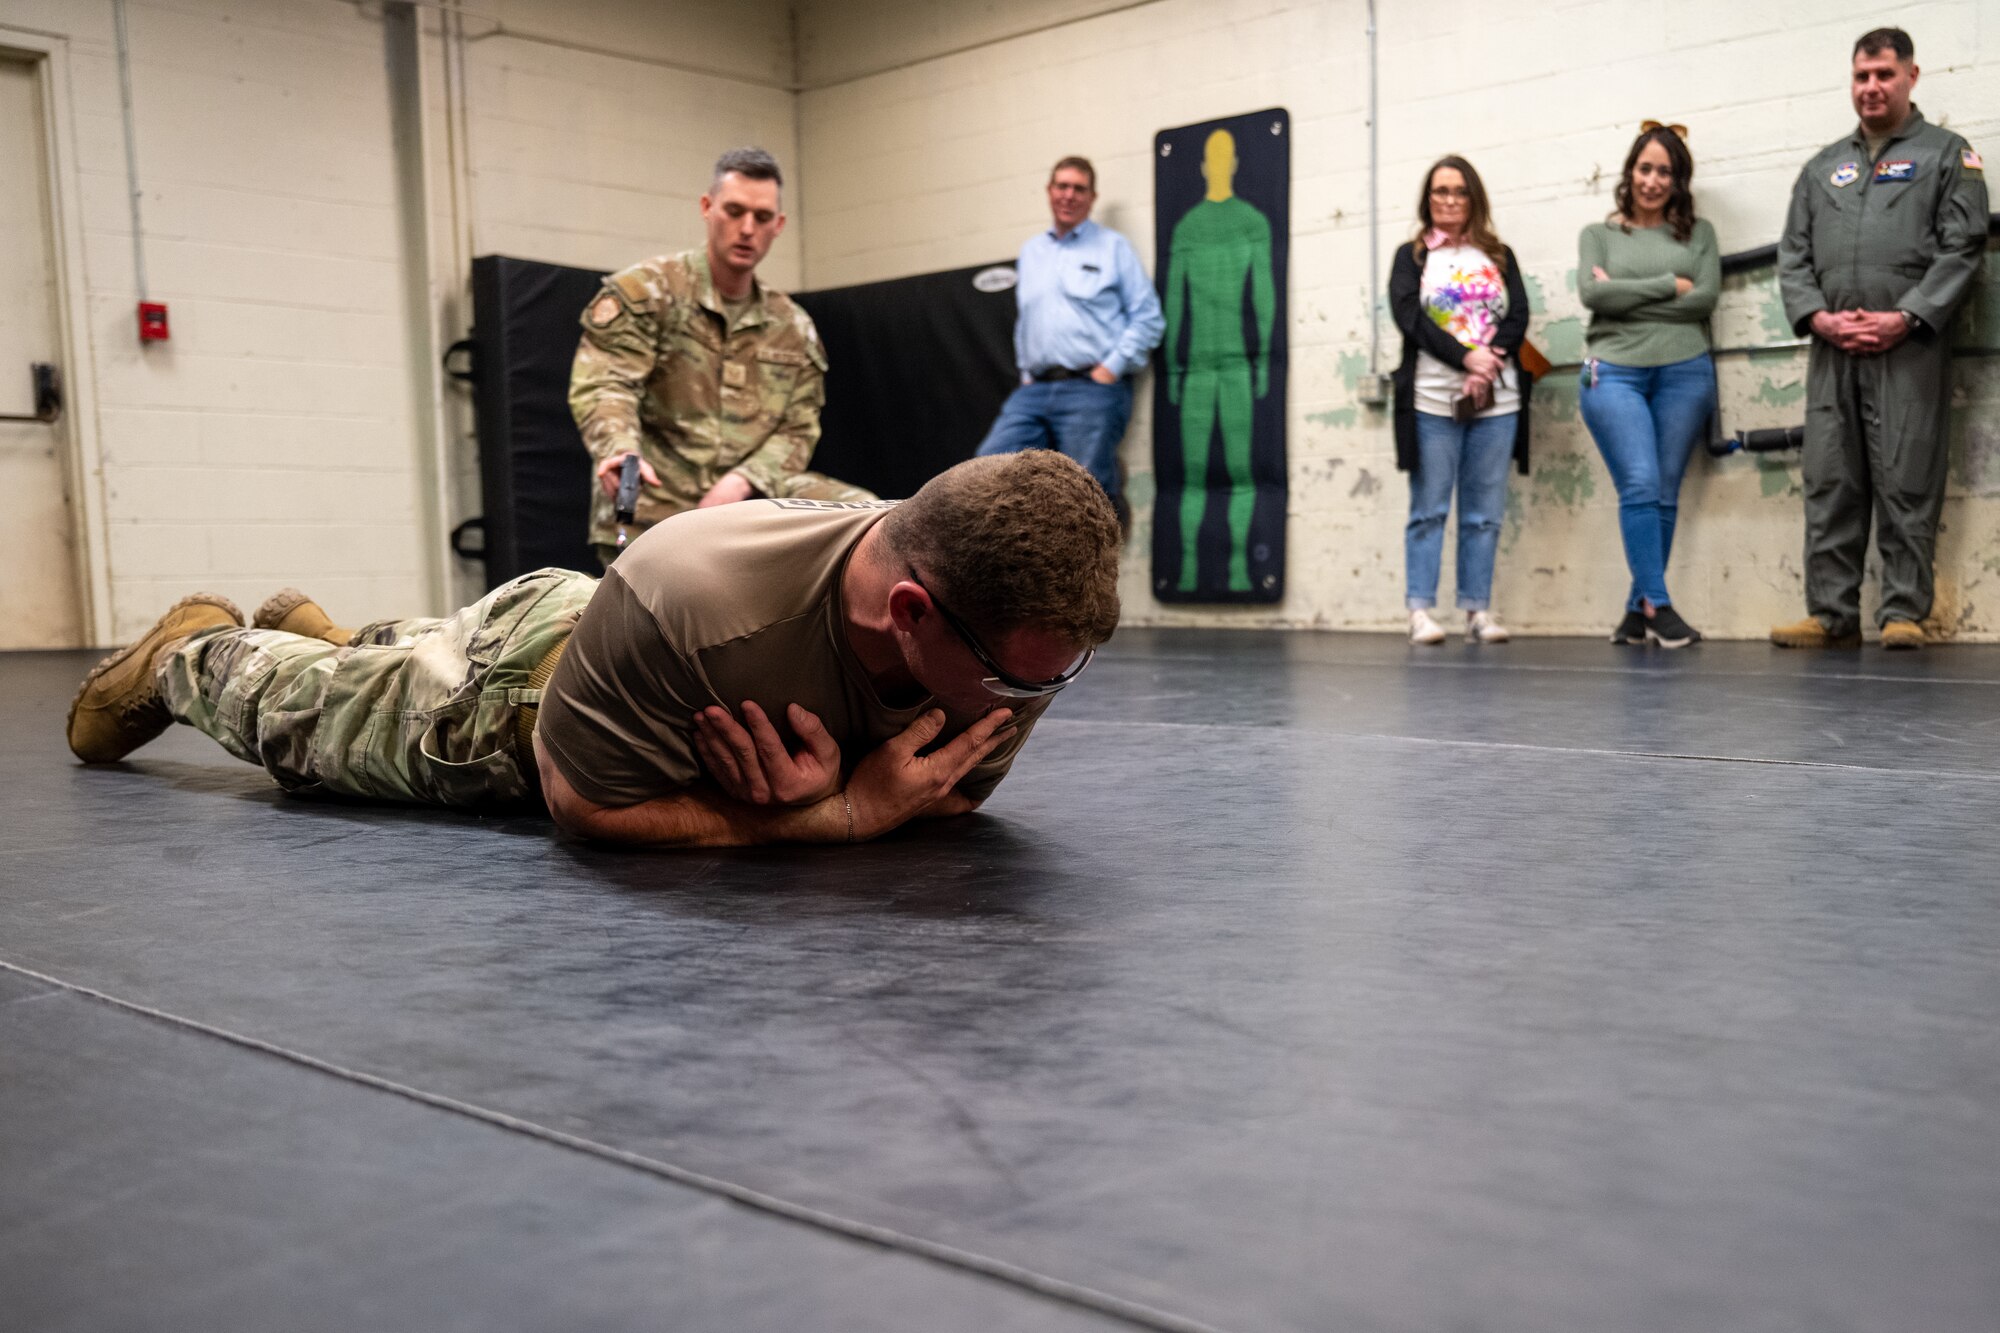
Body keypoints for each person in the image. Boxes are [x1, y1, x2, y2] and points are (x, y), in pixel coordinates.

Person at [65, 452, 1121, 848]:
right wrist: (831, 814)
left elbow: (954, 792)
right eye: (1017, 678)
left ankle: (350, 639)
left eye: (1057, 673)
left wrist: (852, 791)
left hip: (621, 635)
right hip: (519, 700)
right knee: (313, 726)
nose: (1030, 701)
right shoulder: (703, 595)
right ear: (908, 611)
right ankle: (196, 651)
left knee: (394, 660)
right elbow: (585, 804)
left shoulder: (1006, 604)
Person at [1772, 27, 1988, 650]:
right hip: (1832, 345)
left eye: (1884, 75)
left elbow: (1962, 248)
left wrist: (1908, 316)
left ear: (1912, 77)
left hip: (1909, 347)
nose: (1871, 87)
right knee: (1831, 478)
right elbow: (1793, 255)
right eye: (1861, 76)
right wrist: (1818, 317)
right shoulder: (1822, 167)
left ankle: (1903, 612)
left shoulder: (1947, 155)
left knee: (1907, 476)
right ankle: (1831, 613)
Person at [570, 147, 873, 569]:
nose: (747, 228)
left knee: (870, 518)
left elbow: (798, 428)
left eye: (762, 217)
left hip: (752, 499)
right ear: (707, 208)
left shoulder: (792, 326)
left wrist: (739, 483)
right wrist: (618, 449)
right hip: (659, 501)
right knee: (671, 618)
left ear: (778, 225)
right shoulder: (648, 293)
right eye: (734, 211)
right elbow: (607, 383)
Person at [1577, 123, 1721, 649]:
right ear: (1629, 172)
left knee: (1662, 491)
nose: (1653, 180)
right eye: (1645, 168)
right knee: (1639, 483)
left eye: (1665, 171)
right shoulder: (1600, 234)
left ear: (1679, 179)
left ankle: (1635, 613)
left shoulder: (1698, 234)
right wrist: (1668, 286)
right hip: (1613, 372)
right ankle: (1658, 605)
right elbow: (1593, 295)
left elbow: (1704, 299)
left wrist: (1627, 293)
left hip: (1686, 370)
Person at [1389, 156, 1533, 645]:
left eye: (1458, 191)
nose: (1448, 200)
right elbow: (1410, 317)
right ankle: (1420, 611)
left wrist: (1489, 359)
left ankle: (1478, 610)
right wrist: (1465, 359)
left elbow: (1518, 316)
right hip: (1432, 403)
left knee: (1484, 512)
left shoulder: (1501, 255)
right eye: (1439, 191)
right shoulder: (1411, 258)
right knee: (1428, 509)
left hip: (1498, 401)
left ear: (1474, 198)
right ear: (1427, 200)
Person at [976, 156, 1165, 523]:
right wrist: (1027, 372)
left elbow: (1148, 319)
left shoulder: (1113, 248)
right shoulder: (1032, 252)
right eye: (1062, 186)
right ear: (1049, 192)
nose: (1069, 195)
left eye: (1078, 188)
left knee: (1085, 492)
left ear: (1091, 197)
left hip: (1091, 389)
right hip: (1033, 390)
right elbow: (1028, 319)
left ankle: (1095, 572)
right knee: (986, 471)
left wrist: (1109, 370)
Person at [1161, 128, 1276, 594]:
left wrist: (1262, 361)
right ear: (1211, 166)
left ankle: (1233, 569)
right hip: (1206, 367)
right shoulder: (1193, 226)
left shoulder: (1243, 222)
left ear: (1224, 166)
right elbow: (1175, 302)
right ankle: (1195, 568)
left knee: (1237, 472)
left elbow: (1263, 297)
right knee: (1199, 475)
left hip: (1228, 366)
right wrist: (1173, 362)